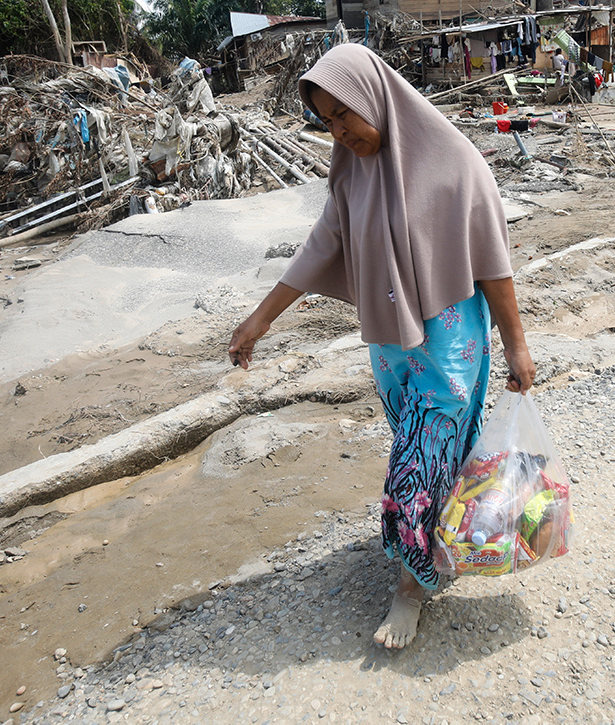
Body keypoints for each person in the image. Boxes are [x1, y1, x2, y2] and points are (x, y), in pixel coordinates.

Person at [227, 44, 535, 650]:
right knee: (425, 452)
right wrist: (259, 320)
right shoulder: (351, 172)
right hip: (392, 350)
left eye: (346, 114)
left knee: (417, 463)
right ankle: (447, 540)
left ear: (374, 98)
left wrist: (518, 346)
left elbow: (494, 265)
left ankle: (410, 591)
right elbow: (319, 250)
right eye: (327, 121)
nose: (339, 131)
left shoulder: (455, 162)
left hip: (450, 344)